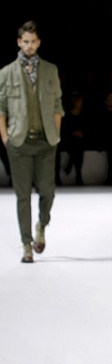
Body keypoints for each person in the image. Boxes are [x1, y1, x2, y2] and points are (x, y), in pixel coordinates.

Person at [0, 20, 63, 263]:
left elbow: (57, 104)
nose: (29, 45)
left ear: (38, 43)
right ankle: (27, 245)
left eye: (33, 41)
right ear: (19, 42)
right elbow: (1, 108)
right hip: (19, 142)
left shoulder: (50, 70)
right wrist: (5, 137)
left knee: (48, 192)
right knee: (23, 195)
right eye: (25, 41)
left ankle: (41, 225)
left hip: (46, 140)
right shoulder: (6, 73)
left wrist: (55, 133)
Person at [61, 91, 86, 186]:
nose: (81, 103)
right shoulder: (68, 116)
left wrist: (81, 133)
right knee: (76, 147)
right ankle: (77, 175)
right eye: (79, 101)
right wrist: (74, 133)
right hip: (70, 141)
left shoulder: (82, 115)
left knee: (78, 147)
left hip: (80, 141)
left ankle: (71, 167)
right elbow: (65, 130)